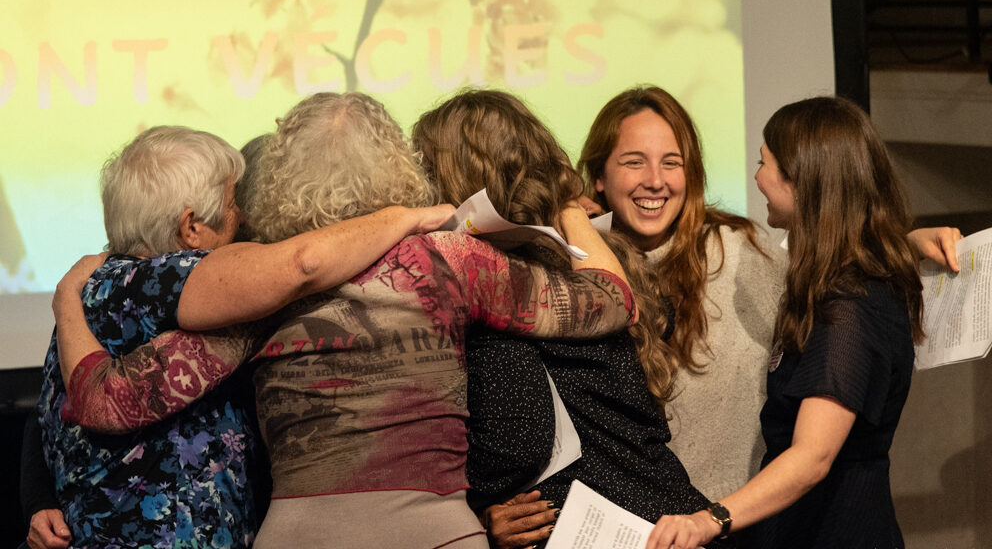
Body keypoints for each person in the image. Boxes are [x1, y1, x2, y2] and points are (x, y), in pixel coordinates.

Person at [49, 92, 637, 549]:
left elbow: (108, 403)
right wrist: (566, 203)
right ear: (397, 164)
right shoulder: (448, 261)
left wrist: (68, 304)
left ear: (278, 177)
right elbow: (611, 300)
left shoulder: (263, 291)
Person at [34, 124, 456, 548]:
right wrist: (405, 218)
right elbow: (303, 266)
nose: (245, 218)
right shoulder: (157, 279)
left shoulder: (94, 290)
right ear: (191, 227)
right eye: (234, 203)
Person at [411, 89, 726, 549]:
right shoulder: (597, 256)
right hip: (669, 518)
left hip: (602, 531)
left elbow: (518, 441)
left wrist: (476, 510)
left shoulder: (494, 285)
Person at [646, 96, 925, 549]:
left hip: (837, 532)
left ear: (804, 180)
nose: (756, 177)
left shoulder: (850, 305)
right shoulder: (833, 284)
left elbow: (814, 456)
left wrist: (708, 520)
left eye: (765, 164)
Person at [578, 85, 784, 501]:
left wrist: (904, 246)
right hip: (623, 528)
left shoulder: (740, 251)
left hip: (732, 525)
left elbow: (829, 284)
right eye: (634, 162)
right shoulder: (573, 266)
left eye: (671, 163)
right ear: (599, 176)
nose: (655, 182)